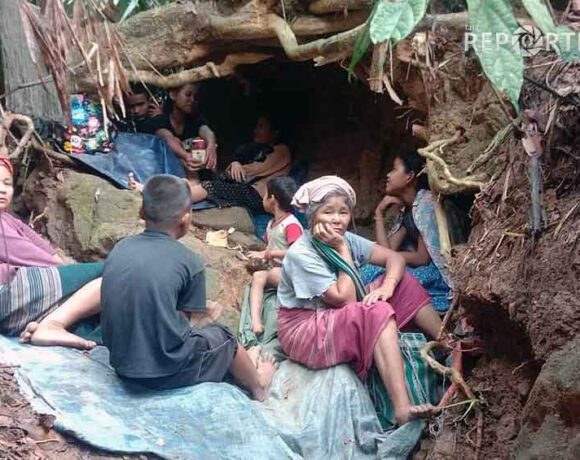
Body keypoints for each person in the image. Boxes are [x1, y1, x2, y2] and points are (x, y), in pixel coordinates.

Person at [277, 176, 444, 425]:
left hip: (336, 311)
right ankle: (402, 409)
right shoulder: (302, 252)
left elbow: (395, 259)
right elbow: (345, 301)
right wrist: (343, 251)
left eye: (343, 212)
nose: (337, 219)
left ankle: (447, 343)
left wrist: (387, 286)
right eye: (328, 212)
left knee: (404, 283)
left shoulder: (345, 238)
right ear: (312, 217)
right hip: (305, 327)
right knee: (377, 311)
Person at [100, 175, 276, 398]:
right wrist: (206, 318)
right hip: (162, 373)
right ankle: (258, 385)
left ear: (142, 212)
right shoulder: (189, 262)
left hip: (120, 363)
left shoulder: (121, 248)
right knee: (224, 338)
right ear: (185, 220)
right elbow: (184, 327)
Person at [0, 157, 102, 350]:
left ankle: (42, 326)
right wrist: (71, 272)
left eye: (7, 183)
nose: (3, 189)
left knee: (88, 306)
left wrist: (67, 269)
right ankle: (50, 325)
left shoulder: (8, 219)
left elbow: (44, 248)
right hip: (7, 292)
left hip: (14, 296)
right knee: (112, 273)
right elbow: (37, 258)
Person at [372, 147, 452, 312]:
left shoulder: (426, 204)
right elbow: (386, 250)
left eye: (394, 169)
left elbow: (423, 258)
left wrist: (393, 258)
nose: (388, 175)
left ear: (409, 176)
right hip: (417, 267)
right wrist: (378, 213)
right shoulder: (408, 209)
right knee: (373, 268)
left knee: (383, 274)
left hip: (435, 273)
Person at [247, 177, 302, 335]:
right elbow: (268, 245)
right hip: (275, 269)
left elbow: (297, 253)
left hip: (290, 273)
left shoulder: (291, 224)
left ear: (272, 199)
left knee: (268, 274)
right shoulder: (272, 224)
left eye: (265, 195)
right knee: (258, 276)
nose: (262, 198)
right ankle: (256, 321)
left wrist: (270, 254)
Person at [148, 83, 217, 173]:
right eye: (188, 95)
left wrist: (211, 146)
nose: (192, 100)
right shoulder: (161, 119)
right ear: (173, 95)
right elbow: (168, 138)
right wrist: (186, 156)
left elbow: (207, 131)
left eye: (195, 97)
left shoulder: (195, 119)